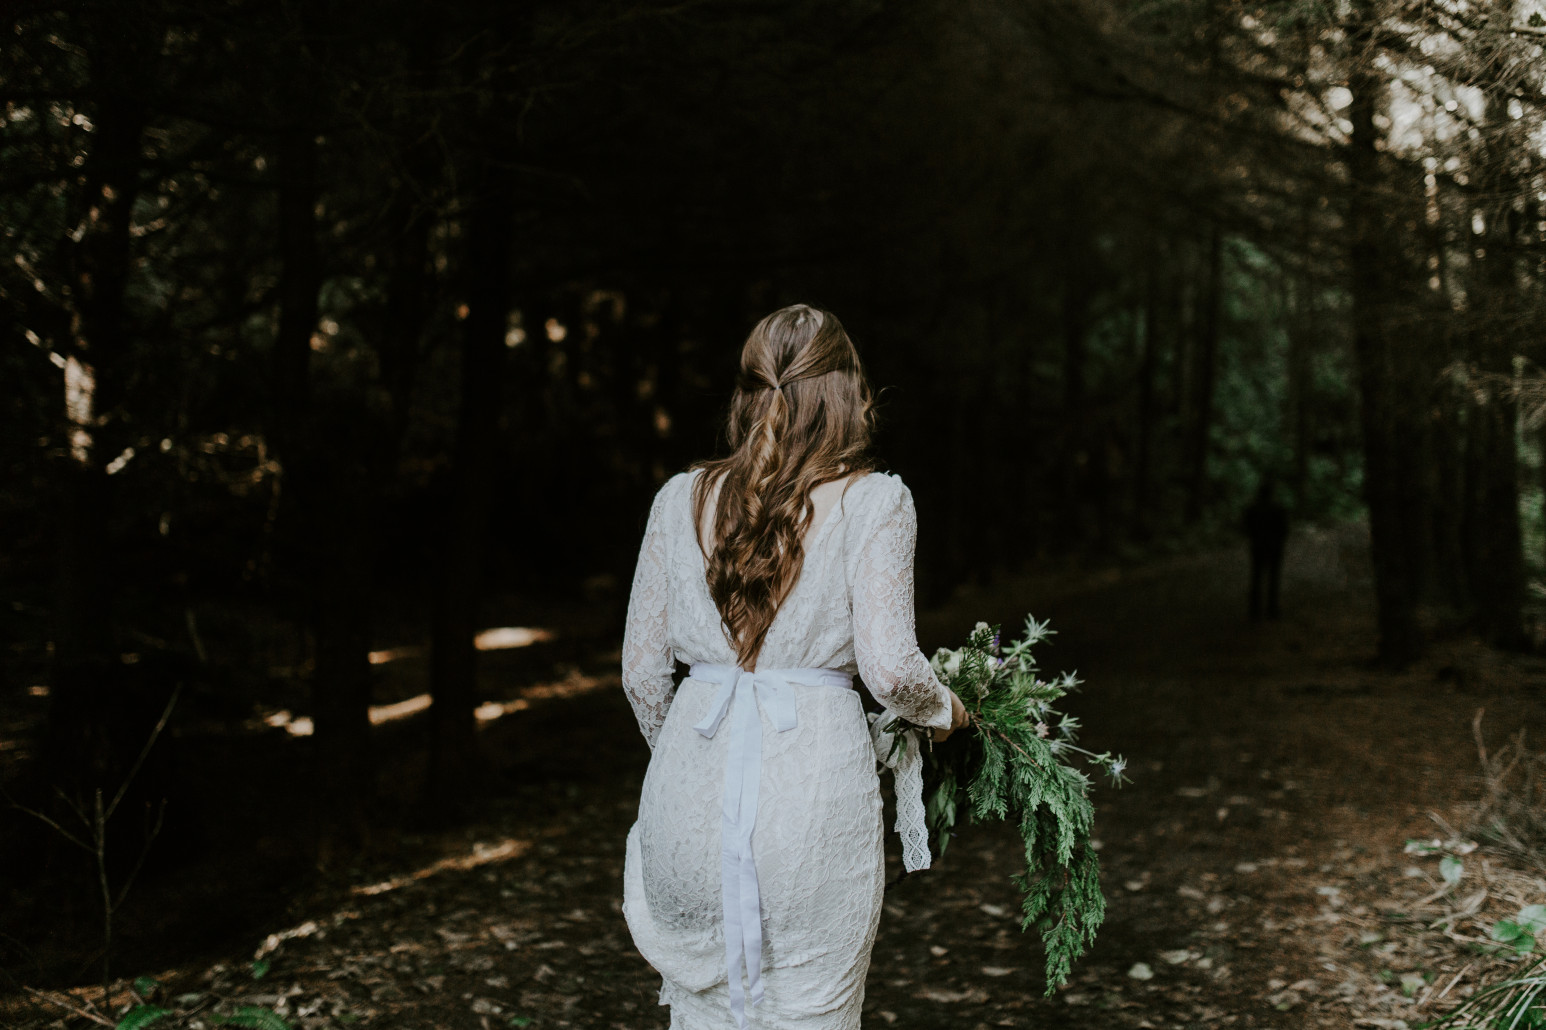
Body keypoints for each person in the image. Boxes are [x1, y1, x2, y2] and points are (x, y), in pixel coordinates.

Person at [619, 304, 969, 1030]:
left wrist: (687, 758)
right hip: (809, 807)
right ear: (847, 394)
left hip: (686, 808)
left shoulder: (676, 500)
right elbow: (892, 669)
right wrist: (951, 713)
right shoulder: (876, 502)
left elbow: (642, 675)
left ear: (748, 394)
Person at [1243, 477, 1289, 620]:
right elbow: (1284, 529)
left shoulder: (1253, 508)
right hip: (1274, 547)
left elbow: (1245, 527)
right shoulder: (1278, 508)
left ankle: (1255, 611)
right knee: (1273, 579)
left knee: (1257, 578)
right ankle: (1272, 610)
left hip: (1258, 546)